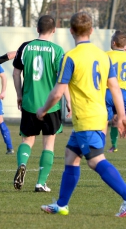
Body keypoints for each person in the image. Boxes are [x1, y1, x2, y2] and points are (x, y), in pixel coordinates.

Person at [38, 12, 126, 217]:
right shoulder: (102, 55)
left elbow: (58, 91)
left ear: (70, 31)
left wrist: (43, 109)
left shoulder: (71, 57)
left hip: (87, 118)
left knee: (95, 160)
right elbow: (114, 87)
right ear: (92, 30)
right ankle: (61, 205)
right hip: (95, 116)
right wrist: (121, 115)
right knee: (71, 156)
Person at [12, 15, 71, 192]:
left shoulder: (25, 47)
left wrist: (19, 95)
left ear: (37, 29)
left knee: (27, 139)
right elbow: (63, 79)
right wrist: (68, 101)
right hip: (50, 104)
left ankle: (22, 164)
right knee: (48, 143)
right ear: (54, 30)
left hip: (30, 102)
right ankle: (40, 183)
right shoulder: (57, 50)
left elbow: (16, 74)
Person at [105, 30, 126, 153]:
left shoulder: (105, 55)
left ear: (113, 42)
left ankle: (101, 146)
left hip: (108, 92)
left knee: (105, 120)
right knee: (120, 118)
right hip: (124, 93)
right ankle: (114, 145)